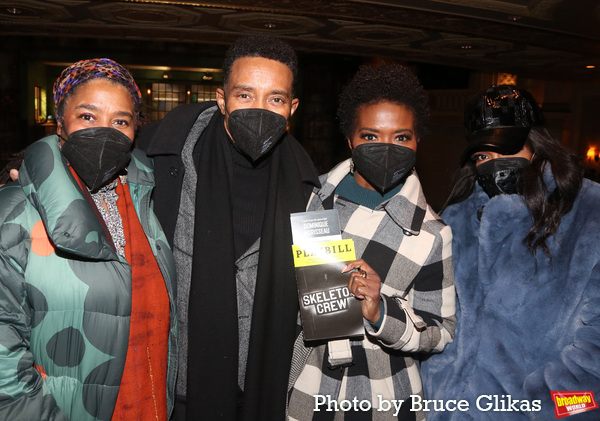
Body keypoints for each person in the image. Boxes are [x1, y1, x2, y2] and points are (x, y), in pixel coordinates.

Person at [136, 35, 320, 420]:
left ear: (292, 108)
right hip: (171, 387)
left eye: (275, 99)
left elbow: (324, 307)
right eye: (245, 95)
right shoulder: (158, 158)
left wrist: (350, 291)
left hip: (263, 391)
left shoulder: (309, 188)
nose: (260, 110)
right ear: (222, 99)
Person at [0, 58, 177, 420]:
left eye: (121, 121)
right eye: (88, 116)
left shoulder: (147, 201)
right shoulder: (14, 211)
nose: (105, 131)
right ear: (60, 121)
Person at [287, 63, 456, 421]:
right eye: (370, 136)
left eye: (401, 137)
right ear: (349, 140)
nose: (386, 147)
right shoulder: (310, 200)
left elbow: (440, 333)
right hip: (307, 388)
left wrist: (382, 311)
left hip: (384, 397)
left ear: (417, 141)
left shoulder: (431, 232)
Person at [420, 85, 600, 420]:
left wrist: (535, 408)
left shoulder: (589, 212)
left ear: (538, 142)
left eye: (505, 149)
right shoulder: (456, 220)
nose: (494, 164)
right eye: (482, 157)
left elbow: (595, 353)